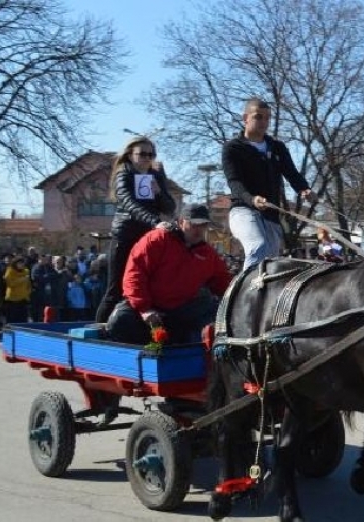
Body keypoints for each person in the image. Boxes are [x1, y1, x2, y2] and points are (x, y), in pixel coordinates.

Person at [106, 204, 233, 346]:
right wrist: (145, 309)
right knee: (119, 320)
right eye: (193, 224)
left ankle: (202, 357)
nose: (198, 230)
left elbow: (223, 283)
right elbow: (135, 275)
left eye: (203, 225)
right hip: (150, 307)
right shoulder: (157, 240)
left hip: (181, 309)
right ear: (180, 222)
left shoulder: (208, 254)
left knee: (218, 317)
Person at [222, 98, 313, 271]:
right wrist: (252, 199)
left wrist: (304, 188)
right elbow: (234, 182)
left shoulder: (277, 147)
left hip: (271, 215)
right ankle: (246, 295)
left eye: (267, 118)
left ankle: (267, 296)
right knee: (258, 246)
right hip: (243, 211)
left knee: (272, 263)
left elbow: (291, 173)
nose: (264, 122)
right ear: (245, 118)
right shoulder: (232, 148)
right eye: (258, 117)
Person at [95, 136, 177, 323]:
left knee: (147, 289)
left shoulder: (155, 176)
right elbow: (129, 204)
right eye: (142, 154)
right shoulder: (123, 174)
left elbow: (170, 208)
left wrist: (160, 193)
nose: (147, 158)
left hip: (147, 238)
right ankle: (98, 333)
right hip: (126, 235)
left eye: (151, 154)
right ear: (130, 155)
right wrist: (155, 222)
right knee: (116, 290)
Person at [2, 256, 31, 324]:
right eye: (20, 263)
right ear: (15, 263)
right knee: (12, 319)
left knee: (23, 320)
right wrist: (21, 280)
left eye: (23, 263)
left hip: (23, 299)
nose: (22, 265)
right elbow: (10, 284)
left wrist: (27, 292)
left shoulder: (26, 271)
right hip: (12, 300)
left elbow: (28, 285)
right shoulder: (10, 271)